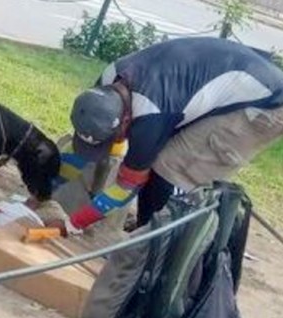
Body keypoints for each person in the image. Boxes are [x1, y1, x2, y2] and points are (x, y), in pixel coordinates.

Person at [38, 37, 283, 236]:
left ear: (125, 122)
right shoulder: (105, 83)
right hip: (213, 82)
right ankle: (148, 228)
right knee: (155, 161)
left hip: (264, 105)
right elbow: (79, 152)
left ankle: (151, 243)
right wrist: (40, 196)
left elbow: (127, 185)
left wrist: (74, 224)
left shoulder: (149, 117)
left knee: (169, 167)